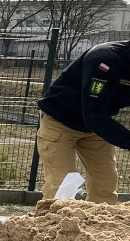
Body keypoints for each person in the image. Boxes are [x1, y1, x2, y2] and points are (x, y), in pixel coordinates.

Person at [37, 39, 130, 203]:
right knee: (62, 190)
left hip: (97, 128)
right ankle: (54, 226)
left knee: (105, 187)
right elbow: (93, 113)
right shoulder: (104, 60)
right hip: (61, 121)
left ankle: (99, 227)